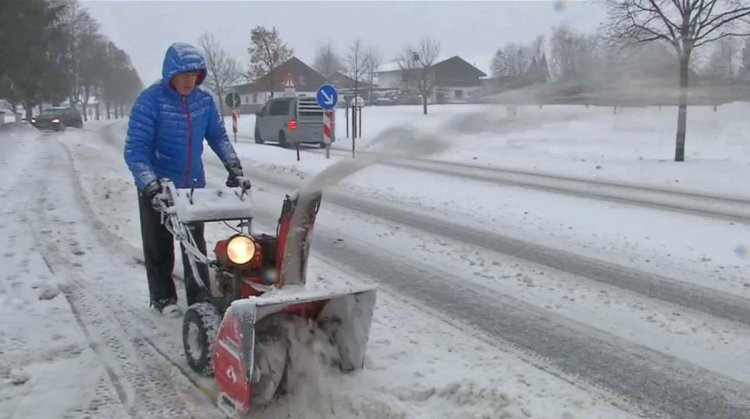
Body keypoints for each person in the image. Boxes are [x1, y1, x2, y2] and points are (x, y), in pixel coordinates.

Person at [124, 42, 248, 317]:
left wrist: (234, 167)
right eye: (184, 74)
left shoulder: (204, 101)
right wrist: (150, 185)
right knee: (158, 245)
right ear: (171, 73)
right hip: (157, 186)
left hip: (191, 187)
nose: (190, 80)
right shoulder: (151, 100)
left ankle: (199, 299)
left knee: (194, 244)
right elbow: (135, 150)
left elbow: (217, 136)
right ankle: (163, 298)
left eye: (195, 75)